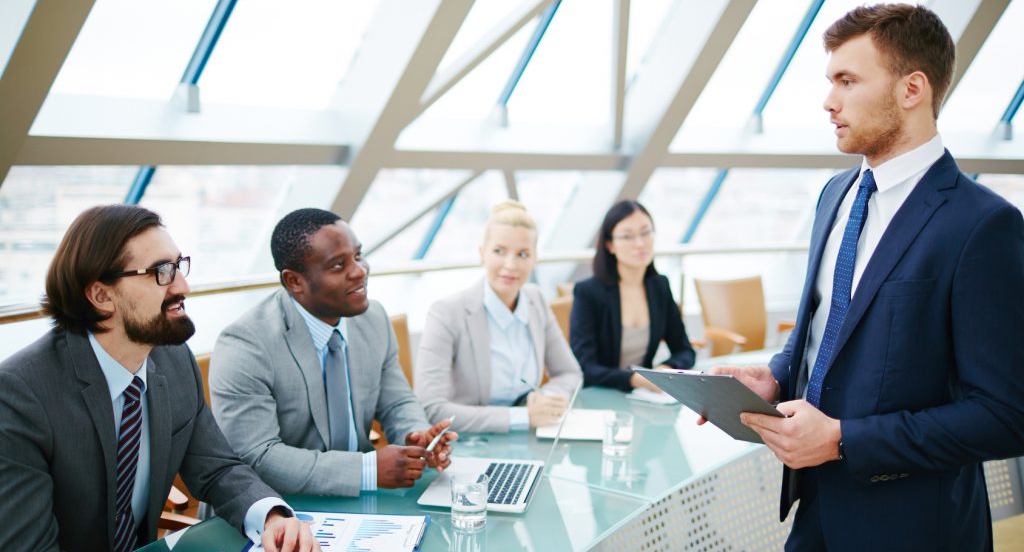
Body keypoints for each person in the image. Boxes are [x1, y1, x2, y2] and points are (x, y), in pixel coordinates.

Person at [717, 4, 1024, 552]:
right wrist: (776, 378)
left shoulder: (982, 227)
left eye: (847, 81)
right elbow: (826, 330)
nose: (827, 101)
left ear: (913, 89)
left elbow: (1008, 414)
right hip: (816, 524)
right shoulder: (836, 195)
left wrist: (845, 439)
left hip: (913, 547)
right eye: (830, 81)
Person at [0, 205, 321, 552]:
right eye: (160, 273)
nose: (182, 286)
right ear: (101, 295)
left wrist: (270, 515)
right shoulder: (19, 394)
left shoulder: (172, 359)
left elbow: (217, 468)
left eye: (179, 266)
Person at [210, 208, 455, 497]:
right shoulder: (246, 345)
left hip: (361, 500)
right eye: (338, 265)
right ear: (294, 282)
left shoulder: (373, 318)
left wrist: (417, 436)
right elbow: (258, 457)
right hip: (276, 511)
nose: (360, 271)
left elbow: (397, 402)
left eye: (358, 255)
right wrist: (367, 470)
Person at [415, 200, 581, 434]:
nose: (510, 265)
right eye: (499, 251)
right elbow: (431, 408)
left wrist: (545, 400)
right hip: (468, 445)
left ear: (534, 259)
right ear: (482, 254)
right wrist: (523, 417)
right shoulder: (447, 313)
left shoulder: (536, 301)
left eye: (523, 254)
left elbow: (569, 373)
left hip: (530, 439)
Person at [569, 200, 696, 391]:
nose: (640, 243)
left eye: (646, 232)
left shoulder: (659, 286)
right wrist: (634, 379)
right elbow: (585, 367)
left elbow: (685, 350)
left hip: (644, 397)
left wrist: (667, 369)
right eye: (627, 236)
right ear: (610, 245)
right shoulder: (588, 292)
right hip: (600, 395)